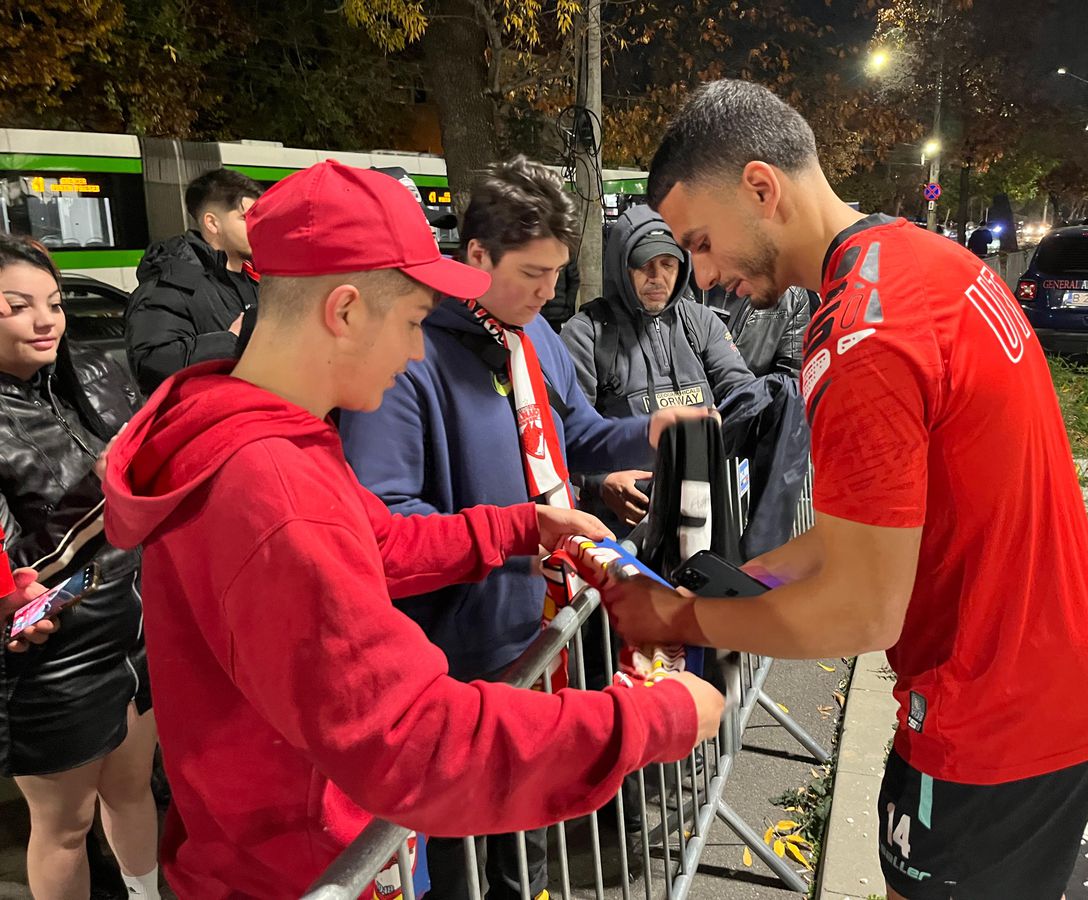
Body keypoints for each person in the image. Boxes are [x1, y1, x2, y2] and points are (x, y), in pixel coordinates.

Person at [100, 160, 723, 898]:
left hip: (291, 844)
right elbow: (414, 739)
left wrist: (521, 526)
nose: (416, 351)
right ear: (345, 311)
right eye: (412, 323)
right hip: (302, 865)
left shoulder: (274, 438)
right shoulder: (274, 490)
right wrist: (647, 720)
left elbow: (382, 542)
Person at [600, 79, 1088, 900]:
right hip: (1051, 676)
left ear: (760, 188)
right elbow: (871, 531)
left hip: (993, 709)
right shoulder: (921, 258)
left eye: (700, 243)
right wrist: (754, 576)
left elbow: (862, 611)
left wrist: (675, 618)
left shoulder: (861, 340)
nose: (701, 276)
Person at [338, 158, 711, 900]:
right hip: (461, 652)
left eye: (557, 274)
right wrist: (521, 530)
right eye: (532, 274)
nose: (547, 293)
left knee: (527, 835)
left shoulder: (532, 334)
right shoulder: (412, 353)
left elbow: (577, 433)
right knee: (470, 856)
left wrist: (650, 433)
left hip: (544, 629)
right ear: (476, 255)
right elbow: (386, 520)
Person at [0, 235, 160, 899]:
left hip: (130, 631)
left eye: (55, 304)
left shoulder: (83, 381)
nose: (45, 321)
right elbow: (15, 566)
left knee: (133, 790)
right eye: (17, 307)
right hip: (50, 661)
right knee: (66, 826)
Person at [560, 205, 755, 529]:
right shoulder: (586, 333)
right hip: (624, 521)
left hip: (704, 508)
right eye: (643, 265)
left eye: (668, 264)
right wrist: (600, 480)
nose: (657, 277)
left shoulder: (701, 322)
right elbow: (566, 432)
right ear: (622, 267)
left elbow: (742, 394)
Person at [124, 168, 262, 396]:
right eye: (247, 218)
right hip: (214, 415)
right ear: (212, 223)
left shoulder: (255, 281)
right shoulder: (170, 283)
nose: (259, 227)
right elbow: (150, 365)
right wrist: (230, 342)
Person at [699, 284, 813, 377]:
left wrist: (747, 394)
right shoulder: (690, 279)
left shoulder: (791, 296)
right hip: (693, 394)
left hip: (749, 395)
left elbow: (790, 377)